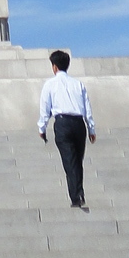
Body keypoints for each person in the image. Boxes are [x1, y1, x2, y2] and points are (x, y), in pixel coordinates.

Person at [38, 49, 96, 210]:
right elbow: (87, 108)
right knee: (77, 161)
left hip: (62, 123)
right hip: (79, 124)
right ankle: (78, 193)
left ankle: (77, 195)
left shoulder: (50, 84)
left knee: (70, 161)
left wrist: (42, 128)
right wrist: (91, 129)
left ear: (54, 67)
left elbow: (45, 108)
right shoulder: (78, 84)